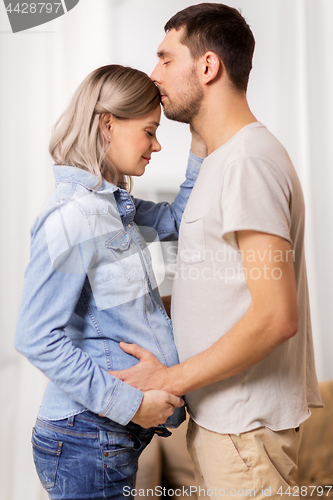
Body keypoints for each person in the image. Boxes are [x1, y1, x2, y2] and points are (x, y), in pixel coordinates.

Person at [108, 5, 323, 499]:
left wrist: (168, 377)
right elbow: (224, 293)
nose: (153, 74)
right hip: (228, 432)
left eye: (165, 59)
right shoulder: (224, 162)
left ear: (208, 67)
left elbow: (275, 317)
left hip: (244, 436)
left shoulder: (248, 162)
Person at [14, 64, 206, 500]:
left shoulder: (113, 208)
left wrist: (200, 139)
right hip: (86, 439)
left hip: (103, 440)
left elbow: (179, 221)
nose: (156, 145)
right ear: (107, 124)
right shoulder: (72, 216)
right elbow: (36, 337)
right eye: (149, 131)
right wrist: (134, 405)